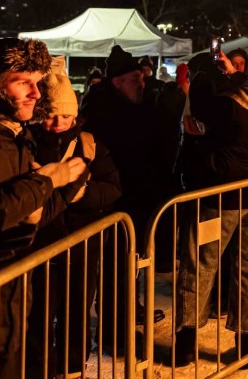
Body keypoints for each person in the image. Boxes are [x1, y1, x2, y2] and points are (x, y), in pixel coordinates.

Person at [174, 54, 248, 368]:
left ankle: (186, 341)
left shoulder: (234, 108)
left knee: (202, 263)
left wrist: (203, 74)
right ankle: (246, 345)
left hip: (221, 199)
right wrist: (233, 74)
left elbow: (202, 106)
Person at [0, 38, 87, 378]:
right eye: (22, 81)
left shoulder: (16, 137)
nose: (36, 93)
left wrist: (66, 186)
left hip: (10, 309)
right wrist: (44, 182)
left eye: (37, 82)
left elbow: (27, 218)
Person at [27, 62, 122, 378]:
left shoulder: (89, 144)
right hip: (41, 244)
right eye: (51, 115)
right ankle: (41, 368)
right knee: (39, 313)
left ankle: (72, 367)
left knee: (78, 310)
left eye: (66, 116)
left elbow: (112, 188)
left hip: (82, 243)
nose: (58, 123)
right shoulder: (27, 144)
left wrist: (81, 193)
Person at [80, 45, 177, 351]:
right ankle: (114, 333)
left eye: (142, 77)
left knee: (129, 265)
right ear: (118, 81)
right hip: (115, 203)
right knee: (116, 269)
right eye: (136, 78)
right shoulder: (103, 110)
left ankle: (127, 314)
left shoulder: (138, 105)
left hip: (137, 200)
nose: (142, 82)